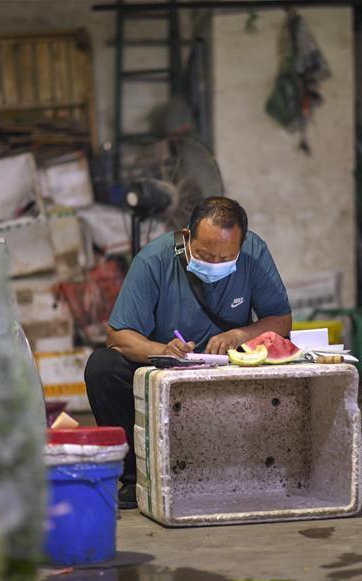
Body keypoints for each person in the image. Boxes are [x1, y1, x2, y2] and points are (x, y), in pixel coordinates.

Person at [84, 196, 292, 508]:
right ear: (186, 237)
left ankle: (265, 468)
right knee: (103, 367)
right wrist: (161, 350)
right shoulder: (153, 261)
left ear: (241, 245)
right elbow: (117, 335)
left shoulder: (254, 252)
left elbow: (280, 321)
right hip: (165, 367)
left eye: (226, 257)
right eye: (206, 254)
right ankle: (136, 477)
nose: (216, 263)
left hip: (230, 365)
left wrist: (239, 334)